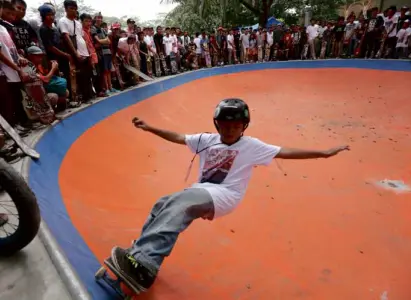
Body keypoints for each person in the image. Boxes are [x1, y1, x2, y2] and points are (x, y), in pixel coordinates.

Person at [110, 98, 350, 291]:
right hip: (202, 189)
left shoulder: (252, 146)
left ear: (244, 126)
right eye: (225, 126)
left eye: (235, 126)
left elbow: (286, 151)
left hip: (226, 195)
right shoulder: (206, 139)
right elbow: (178, 137)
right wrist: (149, 127)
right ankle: (139, 252)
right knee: (162, 204)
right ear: (217, 125)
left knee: (180, 204)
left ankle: (145, 264)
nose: (230, 130)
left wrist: (324, 153)